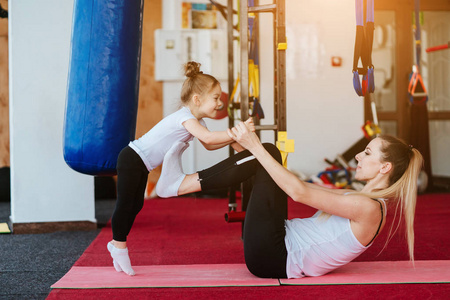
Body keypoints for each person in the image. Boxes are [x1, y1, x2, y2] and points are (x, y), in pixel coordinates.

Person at [157, 121, 423, 278]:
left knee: (268, 152)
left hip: (273, 256)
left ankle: (180, 185)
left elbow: (298, 193)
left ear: (385, 167)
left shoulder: (368, 209)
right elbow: (295, 184)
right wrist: (247, 150)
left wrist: (256, 148)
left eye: (366, 153)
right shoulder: (361, 199)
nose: (358, 157)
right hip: (274, 245)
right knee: (267, 157)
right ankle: (209, 153)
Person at [107, 61, 255, 276]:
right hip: (131, 158)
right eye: (215, 98)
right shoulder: (185, 117)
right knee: (126, 205)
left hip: (141, 164)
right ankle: (118, 245)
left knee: (136, 205)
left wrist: (233, 139)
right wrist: (235, 133)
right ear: (197, 99)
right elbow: (208, 138)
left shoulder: (196, 120)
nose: (219, 104)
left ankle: (117, 244)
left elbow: (210, 144)